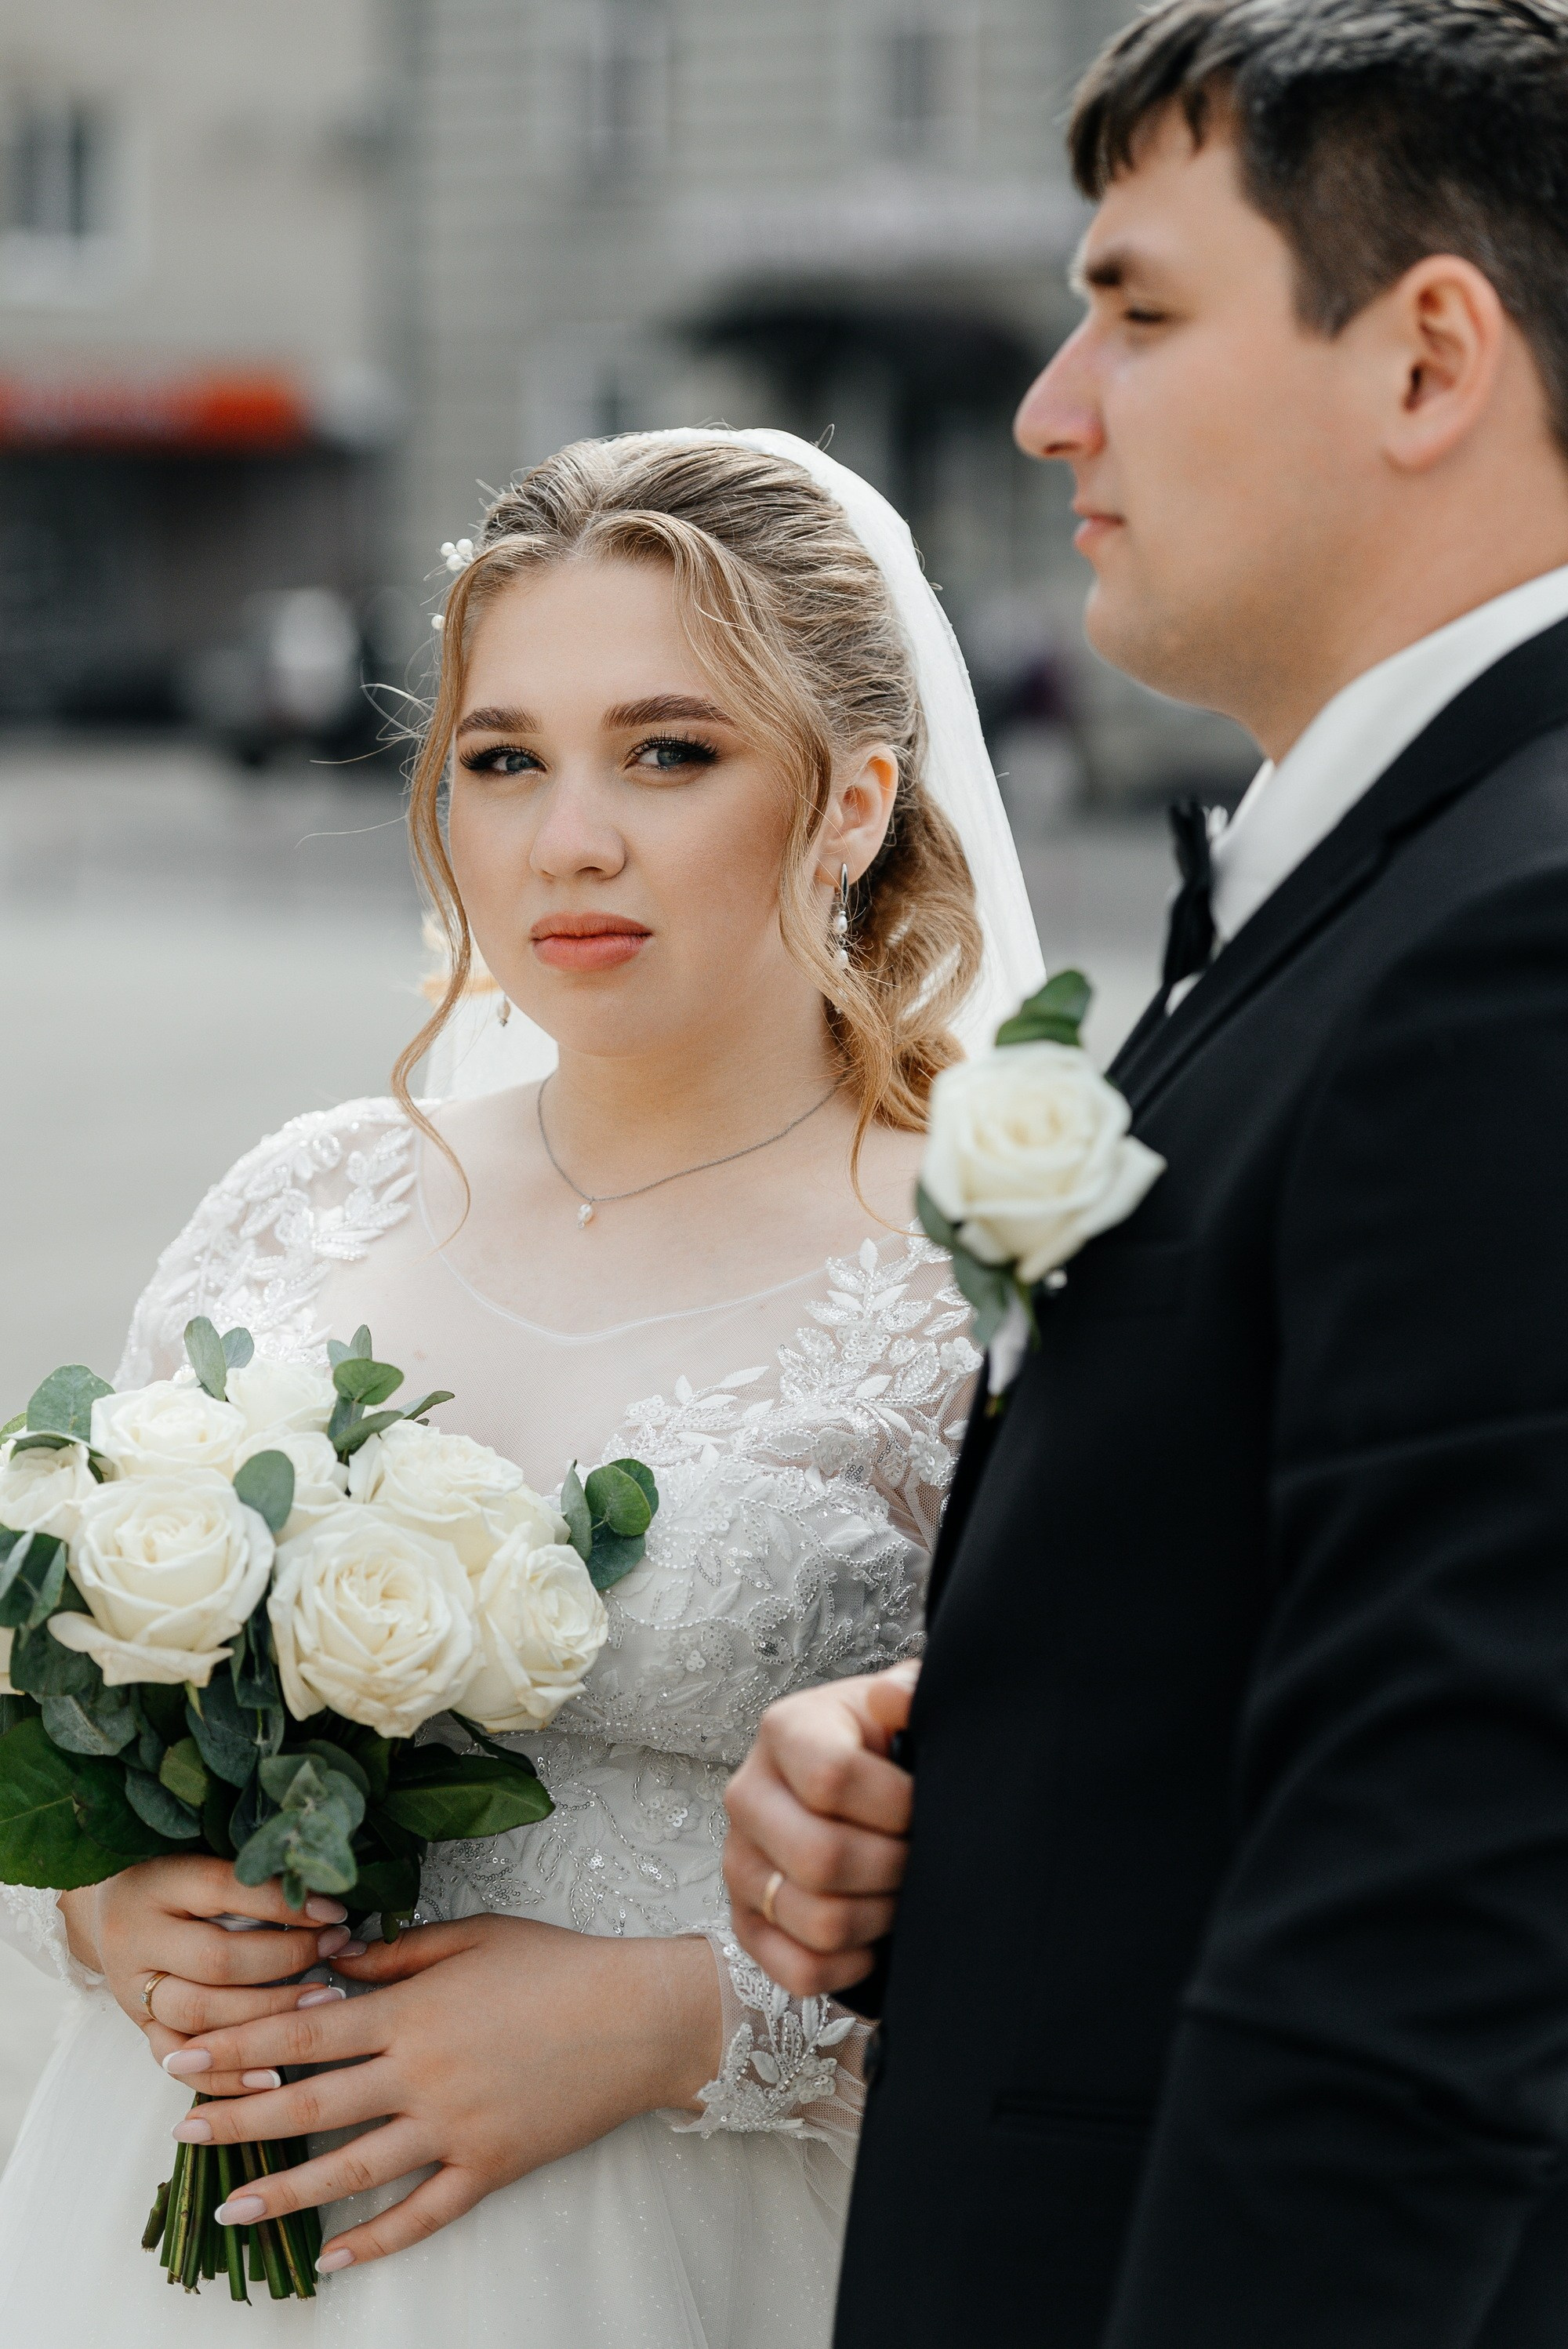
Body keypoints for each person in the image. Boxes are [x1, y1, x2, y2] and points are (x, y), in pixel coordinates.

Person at [0, 429, 1043, 2344]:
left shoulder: (993, 1273)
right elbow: (53, 1713)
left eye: (669, 752)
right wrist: (104, 1913)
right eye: (502, 760)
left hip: (694, 2256)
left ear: (853, 801)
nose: (568, 837)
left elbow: (1118, 1872)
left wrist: (679, 2022)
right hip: (178, 2236)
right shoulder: (307, 1199)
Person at [722, 5, 1568, 2345]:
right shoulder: (1397, 879)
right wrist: (960, 1744)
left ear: (1425, 362)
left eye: (1140, 308)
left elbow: (1440, 1917)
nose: (1048, 407)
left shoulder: (1520, 939)